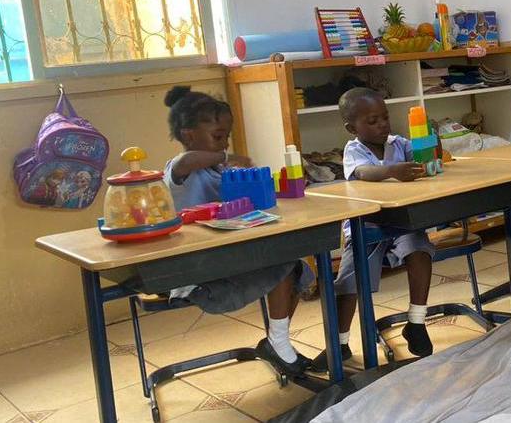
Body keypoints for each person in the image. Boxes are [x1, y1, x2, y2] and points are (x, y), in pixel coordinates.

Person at [163, 86, 312, 376]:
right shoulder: (179, 172)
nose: (225, 144)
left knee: (292, 265)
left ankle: (277, 342)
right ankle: (278, 345)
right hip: (198, 270)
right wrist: (223, 156)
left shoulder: (222, 172)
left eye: (227, 137)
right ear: (189, 136)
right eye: (218, 137)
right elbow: (186, 161)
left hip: (230, 258)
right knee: (283, 266)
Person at [310, 88, 435, 371]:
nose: (382, 124)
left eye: (385, 117)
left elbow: (422, 156)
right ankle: (339, 343)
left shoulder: (399, 143)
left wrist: (429, 143)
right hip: (365, 225)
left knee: (420, 252)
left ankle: (416, 322)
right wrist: (392, 172)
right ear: (352, 128)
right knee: (350, 279)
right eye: (372, 120)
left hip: (402, 221)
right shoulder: (354, 150)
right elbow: (364, 173)